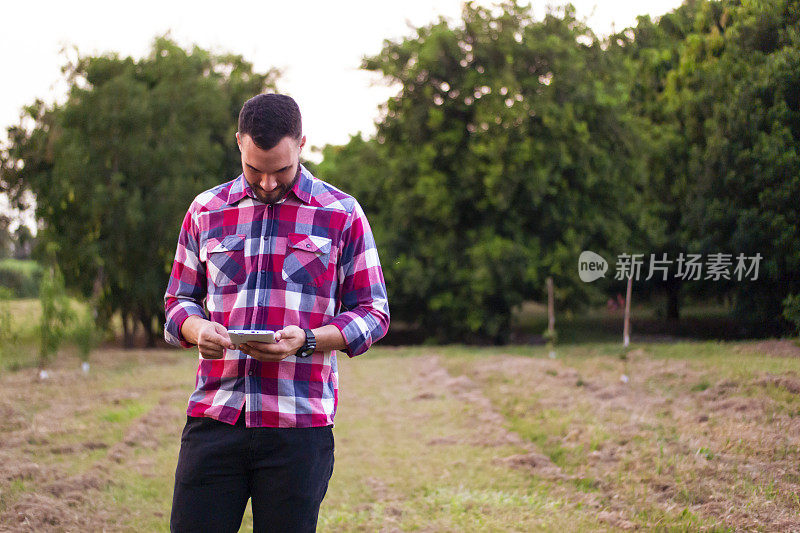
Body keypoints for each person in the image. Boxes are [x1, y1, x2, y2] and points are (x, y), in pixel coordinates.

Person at [163, 93, 390, 532]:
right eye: (255, 169)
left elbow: (374, 311)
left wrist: (307, 341)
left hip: (298, 429)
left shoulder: (341, 215)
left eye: (280, 170)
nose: (267, 183)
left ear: (302, 144)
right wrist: (196, 328)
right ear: (238, 144)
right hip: (214, 418)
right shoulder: (205, 211)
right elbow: (177, 301)